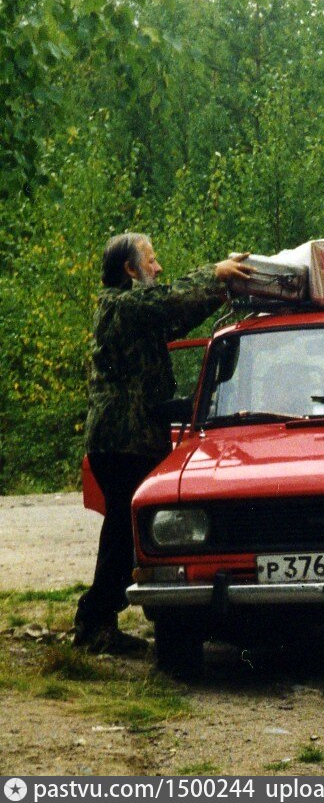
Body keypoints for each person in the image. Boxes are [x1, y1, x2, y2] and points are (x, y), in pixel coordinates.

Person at [72, 233, 254, 654]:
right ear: (130, 270)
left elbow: (176, 317)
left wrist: (219, 291)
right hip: (122, 442)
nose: (158, 269)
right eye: (151, 262)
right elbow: (168, 302)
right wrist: (216, 273)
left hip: (128, 440)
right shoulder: (121, 305)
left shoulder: (132, 312)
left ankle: (97, 621)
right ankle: (95, 621)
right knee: (124, 533)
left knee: (123, 532)